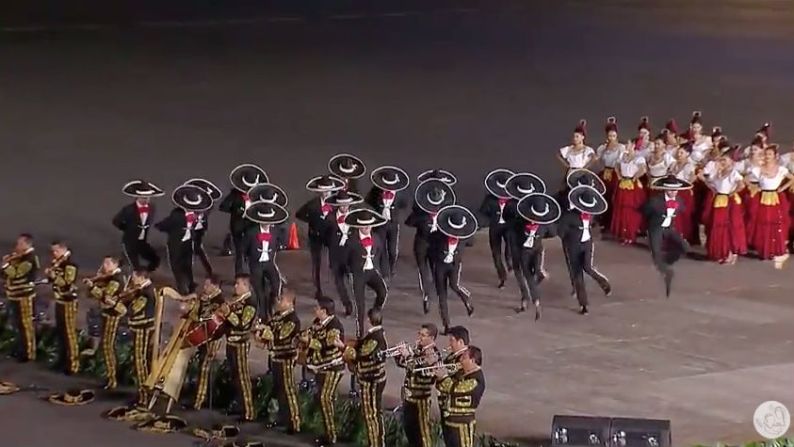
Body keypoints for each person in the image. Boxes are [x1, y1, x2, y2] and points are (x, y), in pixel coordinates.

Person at [106, 269, 162, 420]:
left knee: (140, 362)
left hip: (142, 329)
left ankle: (145, 397)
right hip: (138, 328)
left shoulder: (146, 293)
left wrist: (116, 304)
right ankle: (142, 394)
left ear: (142, 277)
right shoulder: (141, 290)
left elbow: (132, 310)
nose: (132, 281)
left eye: (135, 277)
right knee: (138, 362)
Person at [558, 186, 612, 315]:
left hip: (587, 244)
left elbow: (593, 225)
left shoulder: (591, 214)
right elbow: (560, 231)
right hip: (574, 246)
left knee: (588, 267)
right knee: (577, 274)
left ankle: (603, 282)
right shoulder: (570, 216)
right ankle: (583, 304)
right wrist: (571, 236)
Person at [405, 177, 456, 314]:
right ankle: (426, 295)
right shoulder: (421, 215)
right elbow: (408, 222)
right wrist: (418, 212)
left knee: (435, 270)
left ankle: (437, 291)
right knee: (423, 271)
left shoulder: (443, 216)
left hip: (435, 246)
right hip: (421, 244)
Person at [255, 289, 301, 434]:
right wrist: (260, 332)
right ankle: (281, 418)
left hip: (286, 359)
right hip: (274, 357)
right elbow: (268, 329)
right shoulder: (276, 316)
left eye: (281, 300)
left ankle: (294, 423)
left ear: (289, 303)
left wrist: (264, 331)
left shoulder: (293, 320)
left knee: (288, 391)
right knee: (279, 390)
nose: (278, 302)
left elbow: (279, 335)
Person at [302, 298, 346, 447]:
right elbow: (309, 334)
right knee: (322, 399)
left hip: (332, 368)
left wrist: (309, 342)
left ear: (324, 311)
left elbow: (326, 345)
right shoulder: (317, 322)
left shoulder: (335, 326)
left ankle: (331, 437)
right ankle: (327, 432)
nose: (315, 310)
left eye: (317, 308)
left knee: (325, 398)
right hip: (320, 367)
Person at [155, 184, 213, 295]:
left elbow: (199, 227)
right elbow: (166, 224)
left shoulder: (193, 216)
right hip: (176, 243)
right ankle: (183, 286)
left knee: (185, 265)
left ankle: (188, 285)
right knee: (179, 266)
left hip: (187, 243)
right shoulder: (178, 215)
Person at [510, 193, 561, 318]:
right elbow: (514, 233)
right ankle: (533, 302)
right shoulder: (521, 221)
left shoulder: (545, 224)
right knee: (527, 276)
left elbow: (553, 233)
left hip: (537, 249)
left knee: (535, 274)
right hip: (524, 252)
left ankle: (535, 291)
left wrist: (539, 237)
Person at [295, 175, 346, 298]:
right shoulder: (312, 205)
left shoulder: (335, 204)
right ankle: (318, 289)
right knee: (316, 263)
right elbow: (299, 214)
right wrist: (312, 221)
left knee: (335, 260)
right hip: (316, 237)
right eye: (323, 191)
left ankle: (339, 284)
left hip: (331, 237)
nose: (326, 193)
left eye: (328, 191)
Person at [641, 175, 692, 297]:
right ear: (665, 190)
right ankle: (665, 270)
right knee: (656, 253)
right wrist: (652, 223)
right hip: (656, 228)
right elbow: (644, 211)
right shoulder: (655, 201)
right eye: (670, 190)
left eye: (675, 190)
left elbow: (682, 208)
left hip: (669, 228)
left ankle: (667, 262)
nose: (673, 192)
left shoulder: (678, 201)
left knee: (684, 247)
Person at [431, 205, 477, 334]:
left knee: (455, 285)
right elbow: (432, 246)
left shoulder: (464, 237)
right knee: (442, 296)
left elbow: (472, 242)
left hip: (454, 265)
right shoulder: (439, 236)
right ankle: (446, 325)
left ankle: (466, 300)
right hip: (440, 266)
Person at [344, 208, 389, 336]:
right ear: (359, 227)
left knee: (383, 291)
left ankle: (374, 314)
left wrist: (383, 271)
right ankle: (360, 333)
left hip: (372, 271)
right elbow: (345, 258)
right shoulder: (352, 240)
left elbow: (382, 254)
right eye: (364, 226)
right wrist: (350, 272)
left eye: (369, 226)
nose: (367, 228)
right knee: (360, 305)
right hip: (358, 274)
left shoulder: (376, 237)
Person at [395, 323, 442, 447]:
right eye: (419, 334)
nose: (419, 337)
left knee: (422, 433)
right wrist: (399, 354)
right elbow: (404, 364)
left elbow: (422, 371)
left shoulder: (433, 354)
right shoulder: (419, 349)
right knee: (410, 431)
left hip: (421, 400)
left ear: (431, 338)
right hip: (409, 398)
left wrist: (408, 356)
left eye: (423, 335)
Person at [346, 308, 387, 447]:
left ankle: (376, 444)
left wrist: (344, 348)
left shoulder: (376, 338)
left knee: (372, 414)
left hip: (372, 380)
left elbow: (361, 354)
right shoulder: (374, 335)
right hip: (369, 379)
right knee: (371, 413)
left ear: (369, 320)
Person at [242, 201, 289, 319]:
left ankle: (272, 308)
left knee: (277, 284)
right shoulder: (251, 232)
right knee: (259, 292)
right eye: (265, 221)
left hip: (269, 263)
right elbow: (243, 248)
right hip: (256, 264)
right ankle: (263, 316)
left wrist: (279, 246)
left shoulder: (275, 231)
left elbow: (282, 240)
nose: (267, 224)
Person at [749, 145, 794, 268]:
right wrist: (756, 188)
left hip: (774, 198)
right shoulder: (758, 169)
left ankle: (775, 249)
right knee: (763, 223)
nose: (767, 157)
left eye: (769, 154)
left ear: (775, 156)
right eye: (766, 154)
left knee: (775, 223)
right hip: (763, 198)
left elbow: (792, 179)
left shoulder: (781, 169)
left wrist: (782, 188)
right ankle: (764, 250)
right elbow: (746, 180)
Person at [700, 146, 747, 264]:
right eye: (721, 160)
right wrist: (712, 188)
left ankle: (730, 252)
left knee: (728, 227)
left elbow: (741, 185)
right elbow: (710, 182)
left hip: (728, 202)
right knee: (717, 226)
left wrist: (731, 193)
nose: (722, 162)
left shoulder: (733, 173)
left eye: (725, 160)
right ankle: (720, 251)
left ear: (731, 161)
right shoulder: (718, 172)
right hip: (719, 200)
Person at [219, 164, 268, 275]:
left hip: (252, 228)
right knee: (240, 254)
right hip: (239, 229)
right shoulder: (235, 194)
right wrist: (237, 210)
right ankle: (239, 276)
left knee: (253, 252)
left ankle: (255, 275)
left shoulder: (257, 195)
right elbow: (223, 206)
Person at [85, 256, 125, 389]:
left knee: (108, 345)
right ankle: (110, 375)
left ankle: (112, 379)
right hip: (106, 313)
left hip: (113, 315)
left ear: (115, 264)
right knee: (105, 345)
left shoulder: (116, 280)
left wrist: (93, 287)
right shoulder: (106, 277)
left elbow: (105, 295)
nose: (104, 266)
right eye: (104, 263)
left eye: (107, 263)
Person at [222, 274, 257, 422]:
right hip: (231, 342)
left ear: (246, 286)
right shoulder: (236, 299)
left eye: (238, 284)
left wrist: (228, 313)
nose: (235, 287)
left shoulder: (250, 303)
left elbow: (242, 324)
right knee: (235, 376)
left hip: (241, 343)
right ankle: (238, 405)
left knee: (243, 377)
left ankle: (249, 412)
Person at [366, 166, 411, 279]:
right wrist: (377, 210)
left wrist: (393, 210)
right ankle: (385, 272)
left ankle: (391, 268)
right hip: (380, 224)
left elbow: (404, 204)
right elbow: (368, 201)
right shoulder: (376, 190)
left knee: (392, 249)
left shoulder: (399, 194)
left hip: (393, 224)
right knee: (381, 248)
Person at [435, 346, 486, 447]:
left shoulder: (476, 380)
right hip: (450, 423)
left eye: (464, 358)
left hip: (462, 426)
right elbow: (442, 387)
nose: (461, 360)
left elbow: (454, 389)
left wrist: (444, 376)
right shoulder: (462, 374)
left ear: (472, 360)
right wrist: (440, 376)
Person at [324, 190, 364, 316]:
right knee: (339, 283)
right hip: (336, 255)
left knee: (354, 281)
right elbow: (325, 236)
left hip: (351, 255)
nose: (345, 207)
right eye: (342, 205)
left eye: (347, 205)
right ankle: (347, 305)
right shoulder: (330, 218)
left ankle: (359, 304)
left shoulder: (355, 217)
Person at [2, 233, 40, 362]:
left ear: (26, 244)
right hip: (15, 296)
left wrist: (6, 266)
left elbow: (16, 274)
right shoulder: (19, 257)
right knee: (18, 325)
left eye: (20, 243)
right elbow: (6, 274)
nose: (17, 246)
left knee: (26, 325)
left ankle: (28, 353)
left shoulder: (30, 259)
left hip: (24, 297)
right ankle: (19, 350)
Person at [113, 180, 164, 272]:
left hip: (142, 241)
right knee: (135, 266)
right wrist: (127, 229)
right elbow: (116, 221)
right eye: (143, 197)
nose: (146, 200)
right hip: (130, 242)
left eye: (148, 197)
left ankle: (144, 275)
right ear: (138, 197)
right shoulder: (129, 209)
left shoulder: (152, 208)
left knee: (155, 259)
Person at [192, 275, 226, 411]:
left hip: (212, 338)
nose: (204, 288)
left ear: (215, 286)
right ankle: (198, 397)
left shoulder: (219, 301)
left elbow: (212, 319)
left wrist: (200, 318)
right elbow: (196, 314)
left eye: (207, 285)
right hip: (202, 336)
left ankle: (200, 400)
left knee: (205, 367)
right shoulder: (204, 298)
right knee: (202, 365)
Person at [45, 240, 79, 374]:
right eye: (53, 251)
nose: (54, 254)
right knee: (61, 333)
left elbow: (67, 283)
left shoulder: (70, 265)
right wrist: (49, 276)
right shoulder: (56, 263)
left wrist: (54, 276)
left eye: (56, 251)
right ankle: (62, 360)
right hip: (59, 301)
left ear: (64, 250)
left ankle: (73, 365)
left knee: (69, 334)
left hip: (69, 302)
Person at [478, 169, 516, 289]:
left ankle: (510, 263)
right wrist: (491, 217)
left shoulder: (513, 200)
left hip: (508, 227)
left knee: (510, 248)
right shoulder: (490, 199)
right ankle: (502, 277)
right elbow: (483, 211)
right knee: (496, 253)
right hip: (495, 227)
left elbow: (517, 213)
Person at [183, 178, 223, 277]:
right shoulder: (192, 204)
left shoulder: (208, 207)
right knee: (189, 250)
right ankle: (188, 271)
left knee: (199, 249)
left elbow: (206, 213)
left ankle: (209, 271)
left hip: (199, 230)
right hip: (190, 230)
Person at [611, 141, 647, 244]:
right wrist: (619, 175)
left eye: (629, 144)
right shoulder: (622, 155)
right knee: (621, 207)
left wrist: (635, 177)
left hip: (632, 185)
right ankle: (622, 233)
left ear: (634, 146)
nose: (627, 146)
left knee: (631, 208)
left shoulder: (639, 157)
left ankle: (631, 233)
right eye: (626, 144)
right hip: (623, 183)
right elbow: (616, 166)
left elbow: (643, 169)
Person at [437, 326, 469, 440]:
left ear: (461, 342)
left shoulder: (467, 359)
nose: (449, 344)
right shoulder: (451, 357)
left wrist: (443, 375)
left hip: (457, 412)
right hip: (445, 407)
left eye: (452, 340)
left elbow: (458, 380)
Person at [595, 117, 625, 229]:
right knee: (604, 195)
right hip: (605, 172)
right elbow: (597, 159)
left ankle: (614, 222)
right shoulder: (602, 147)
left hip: (615, 173)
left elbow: (623, 161)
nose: (611, 138)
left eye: (613, 136)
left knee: (614, 196)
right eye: (609, 136)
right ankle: (603, 219)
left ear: (616, 135)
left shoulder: (621, 147)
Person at [669, 144, 698, 244]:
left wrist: (687, 185)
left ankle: (683, 237)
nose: (679, 154)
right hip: (673, 192)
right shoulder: (674, 164)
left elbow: (692, 178)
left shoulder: (689, 166)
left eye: (682, 153)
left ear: (688, 154)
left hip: (684, 193)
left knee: (683, 216)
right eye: (678, 152)